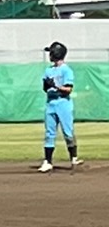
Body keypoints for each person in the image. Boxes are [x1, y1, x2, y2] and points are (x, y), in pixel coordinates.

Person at [39, 41, 82, 172]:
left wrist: (55, 86)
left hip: (63, 104)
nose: (50, 55)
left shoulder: (66, 70)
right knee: (49, 133)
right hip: (51, 103)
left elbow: (68, 89)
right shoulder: (48, 70)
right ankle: (47, 162)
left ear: (57, 54)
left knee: (68, 132)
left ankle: (74, 158)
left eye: (51, 52)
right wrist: (47, 85)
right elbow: (45, 89)